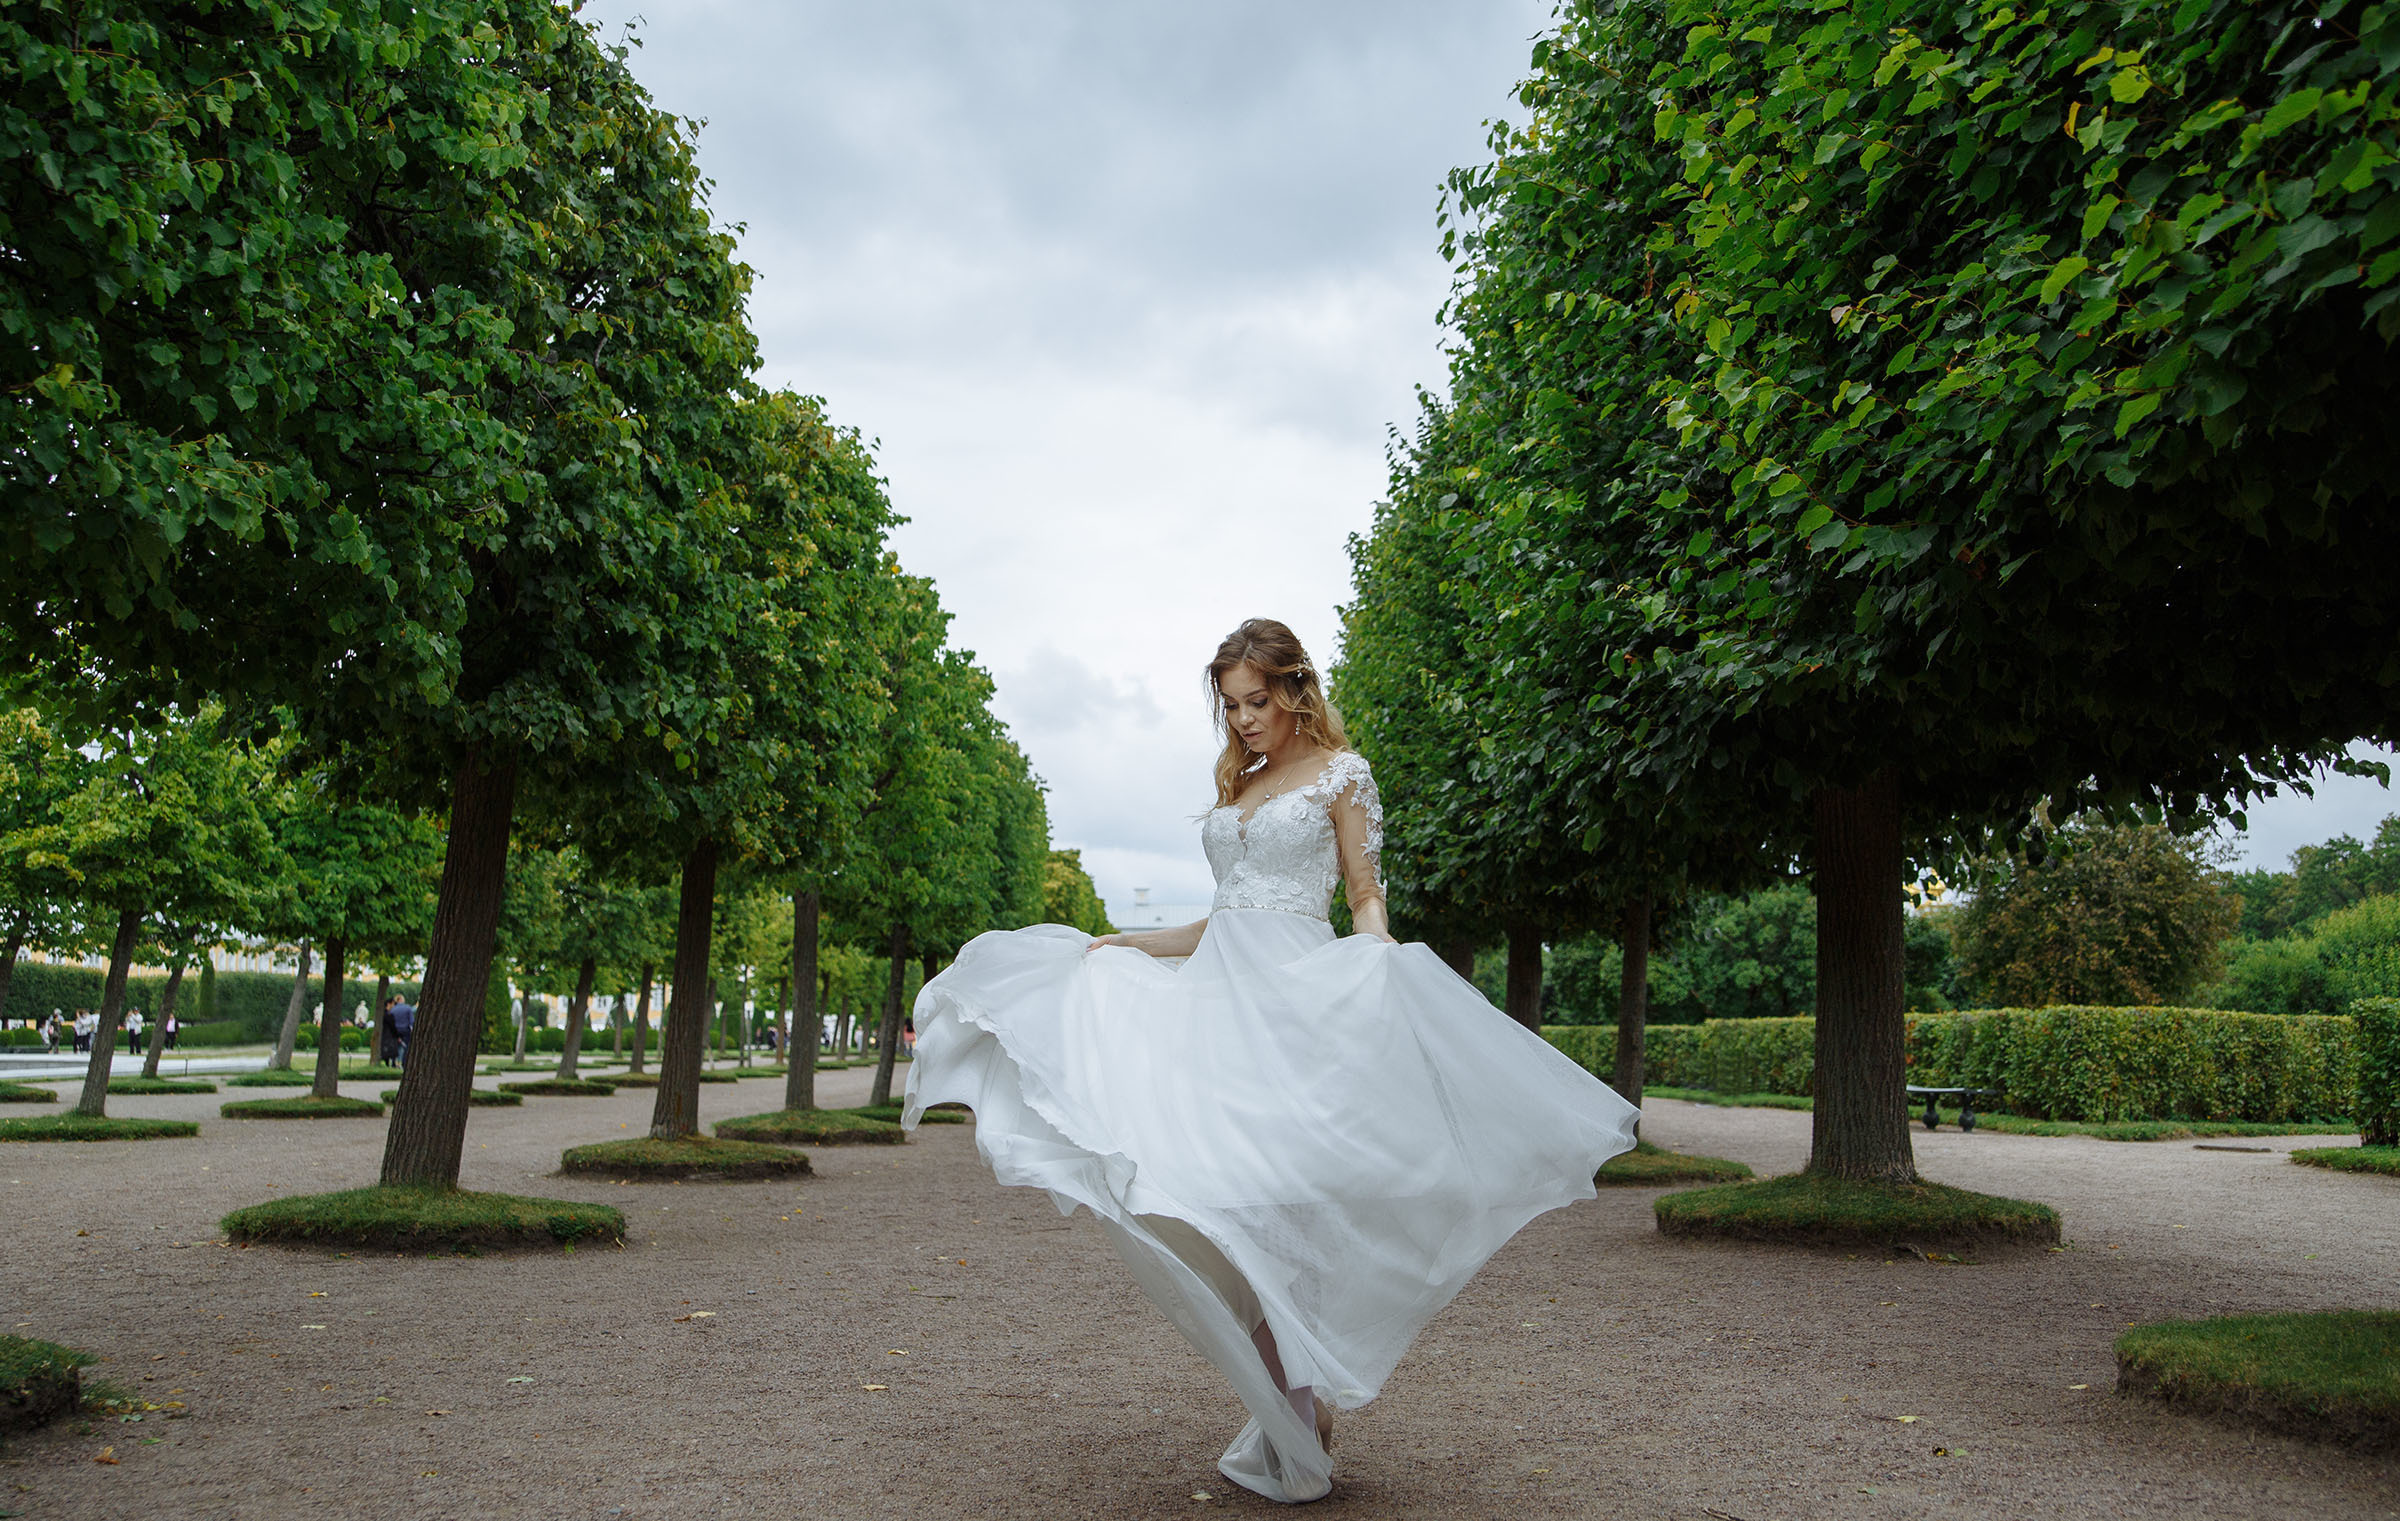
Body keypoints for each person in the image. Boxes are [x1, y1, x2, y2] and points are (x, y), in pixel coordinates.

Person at [903, 618, 1637, 1504]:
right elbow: (1227, 919)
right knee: (1215, 1208)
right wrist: (1125, 943)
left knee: (1287, 1214)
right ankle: (1295, 1408)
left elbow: (1363, 893)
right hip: (1219, 1012)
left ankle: (1301, 1403)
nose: (1244, 720)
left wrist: (1375, 964)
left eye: (1257, 700)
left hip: (1299, 1006)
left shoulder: (1343, 773)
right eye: (1231, 705)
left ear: (1294, 689)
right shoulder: (1240, 786)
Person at [388, 994, 415, 1068]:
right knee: (406, 1047)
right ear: (402, 1000)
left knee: (394, 1046)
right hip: (405, 1030)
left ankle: (393, 1063)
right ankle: (404, 1062)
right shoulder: (408, 1008)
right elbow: (411, 1021)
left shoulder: (393, 1009)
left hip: (395, 1030)